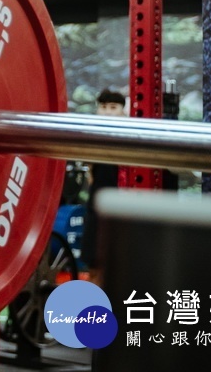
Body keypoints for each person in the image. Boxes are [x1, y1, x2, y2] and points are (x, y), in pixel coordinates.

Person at [81, 87, 127, 285]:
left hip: (122, 207)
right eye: (104, 107)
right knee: (94, 260)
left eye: (113, 107)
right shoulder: (92, 134)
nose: (108, 111)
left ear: (122, 110)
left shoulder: (129, 135)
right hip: (97, 205)